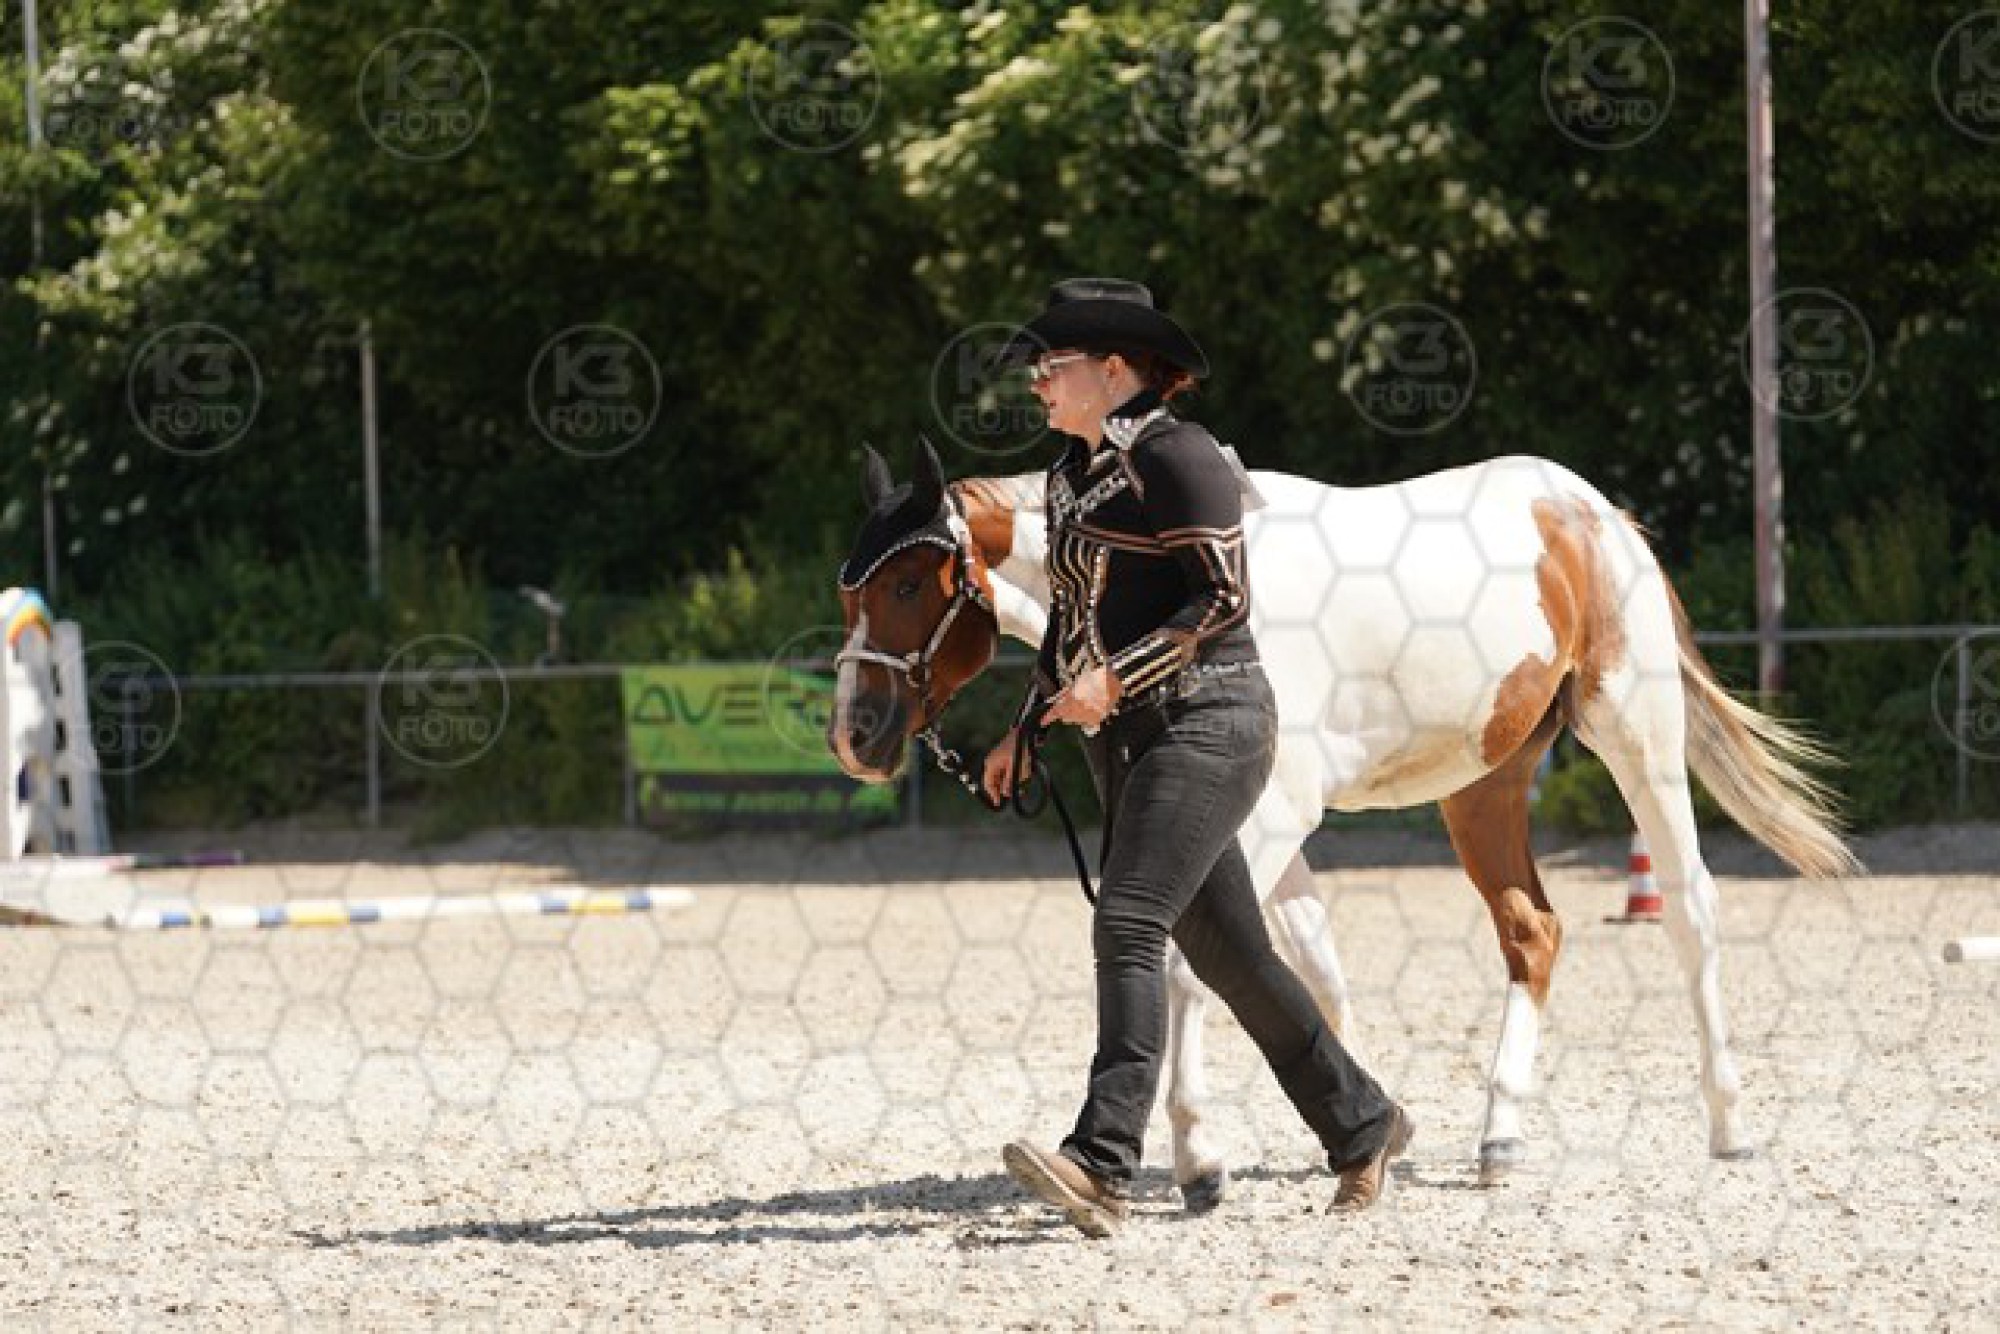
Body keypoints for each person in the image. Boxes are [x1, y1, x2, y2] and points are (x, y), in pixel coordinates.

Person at [979, 278, 1411, 1237]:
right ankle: (1364, 1122)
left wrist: (1117, 677)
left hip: (1212, 720)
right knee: (1234, 957)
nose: (1037, 383)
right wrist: (1025, 725)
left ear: (1114, 370)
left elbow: (1221, 600)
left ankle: (1102, 1162)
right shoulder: (1070, 473)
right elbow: (1069, 624)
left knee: (1129, 918)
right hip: (1129, 734)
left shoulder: (1179, 456)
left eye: (1052, 366)